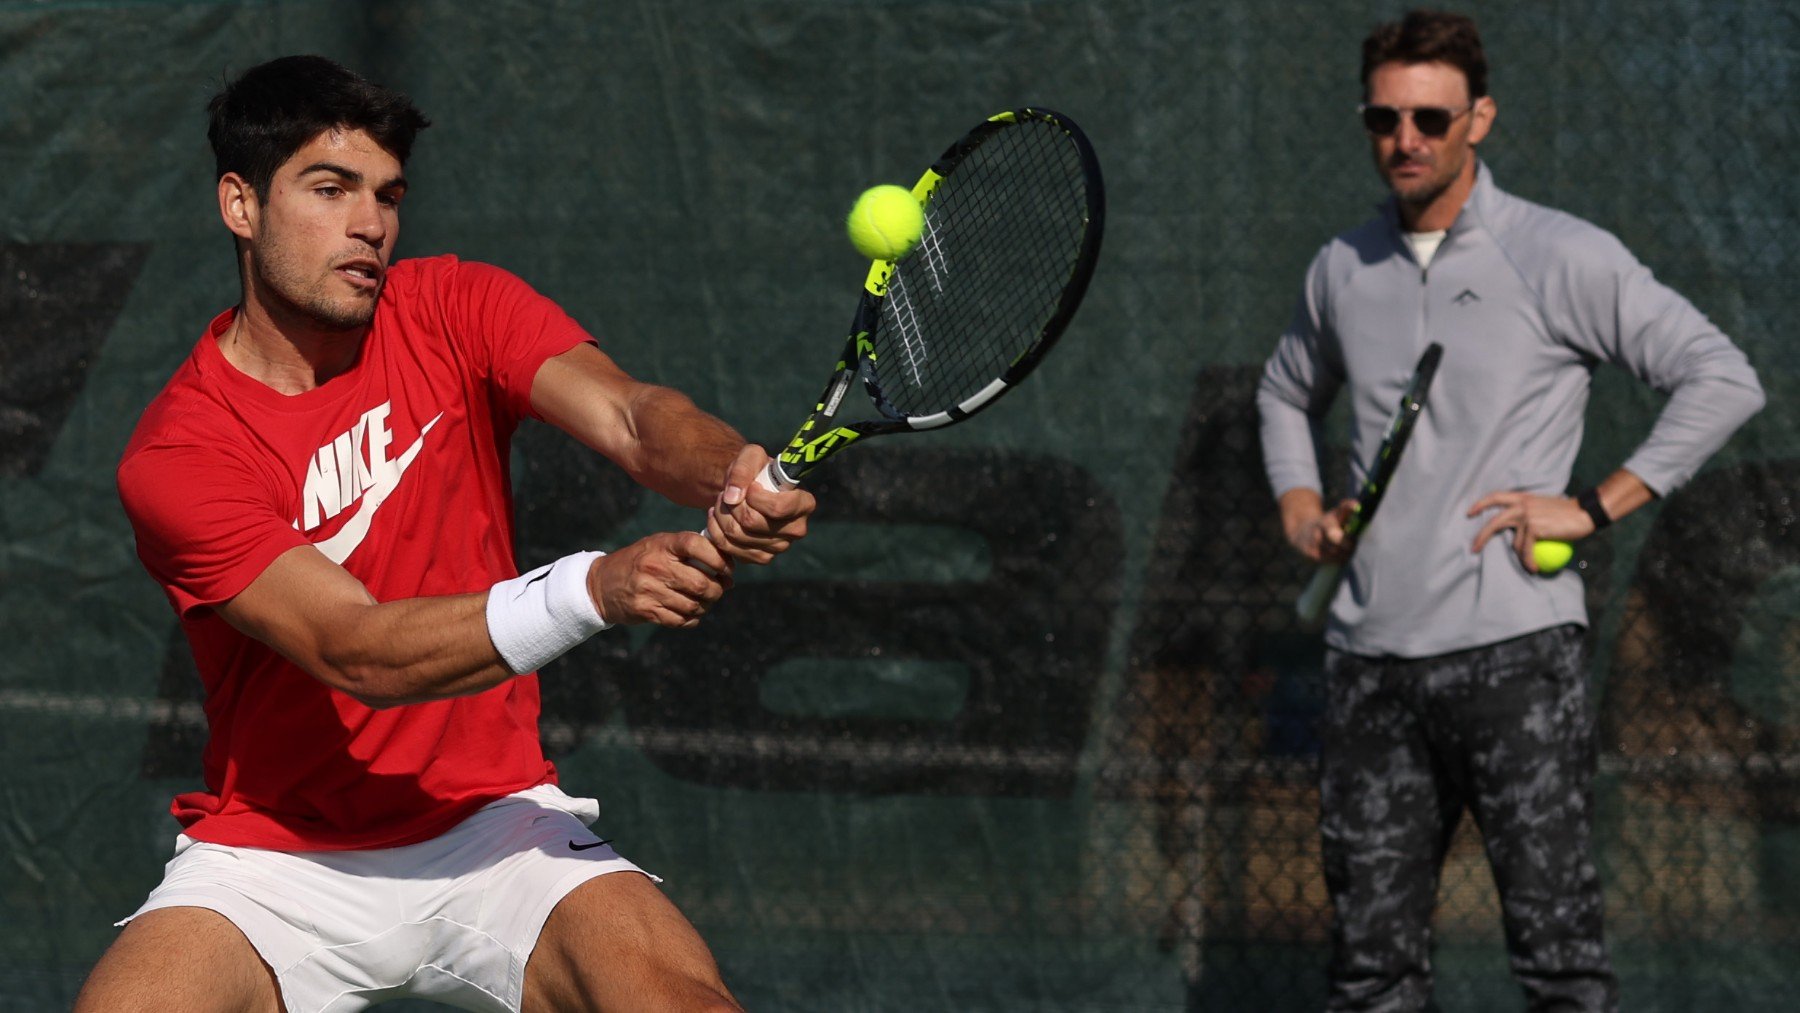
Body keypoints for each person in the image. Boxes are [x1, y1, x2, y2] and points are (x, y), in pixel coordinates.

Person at [77, 55, 815, 1013]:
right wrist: (593, 589)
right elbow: (358, 649)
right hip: (274, 860)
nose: (370, 224)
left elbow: (636, 417)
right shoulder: (179, 455)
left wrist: (731, 468)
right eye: (329, 188)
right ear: (240, 206)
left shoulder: (456, 307)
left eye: (388, 195)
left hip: (496, 827)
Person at [1256, 10, 1763, 1012]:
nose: (1407, 139)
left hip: (1516, 664)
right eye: (1385, 117)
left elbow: (1722, 377)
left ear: (1479, 118)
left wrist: (1593, 504)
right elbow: (1281, 392)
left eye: (1432, 119)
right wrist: (1302, 506)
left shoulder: (1559, 253)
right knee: (1368, 973)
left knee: (1560, 968)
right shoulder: (1340, 266)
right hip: (1368, 670)